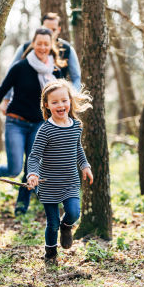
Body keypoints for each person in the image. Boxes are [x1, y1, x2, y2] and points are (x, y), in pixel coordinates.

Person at [0, 27, 66, 215]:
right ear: (33, 44)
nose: (42, 47)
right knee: (14, 169)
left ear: (51, 45)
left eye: (46, 43)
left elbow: (62, 100)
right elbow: (1, 91)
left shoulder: (55, 71)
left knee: (31, 168)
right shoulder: (20, 67)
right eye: (39, 43)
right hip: (16, 123)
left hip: (39, 125)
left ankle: (21, 204)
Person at [26, 79, 94, 264]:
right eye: (54, 102)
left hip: (70, 180)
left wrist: (85, 166)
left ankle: (67, 227)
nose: (60, 105)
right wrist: (33, 174)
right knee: (52, 223)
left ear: (70, 101)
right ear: (46, 105)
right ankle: (50, 253)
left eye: (64, 100)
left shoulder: (75, 126)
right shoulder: (45, 130)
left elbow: (77, 148)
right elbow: (34, 156)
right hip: (48, 183)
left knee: (73, 213)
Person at [0, 12, 81, 115]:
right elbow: (11, 73)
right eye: (47, 29)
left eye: (53, 30)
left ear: (59, 30)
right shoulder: (26, 47)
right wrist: (6, 99)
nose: (50, 33)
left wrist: (72, 98)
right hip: (28, 104)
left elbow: (76, 77)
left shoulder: (67, 49)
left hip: (55, 105)